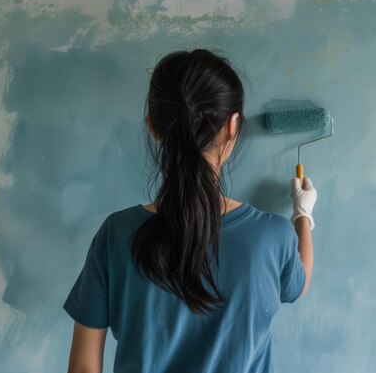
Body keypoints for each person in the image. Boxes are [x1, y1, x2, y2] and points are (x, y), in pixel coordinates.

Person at [63, 49, 317, 373]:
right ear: (233, 126)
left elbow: (84, 367)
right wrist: (302, 217)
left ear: (153, 127)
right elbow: (299, 283)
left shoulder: (116, 234)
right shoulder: (272, 235)